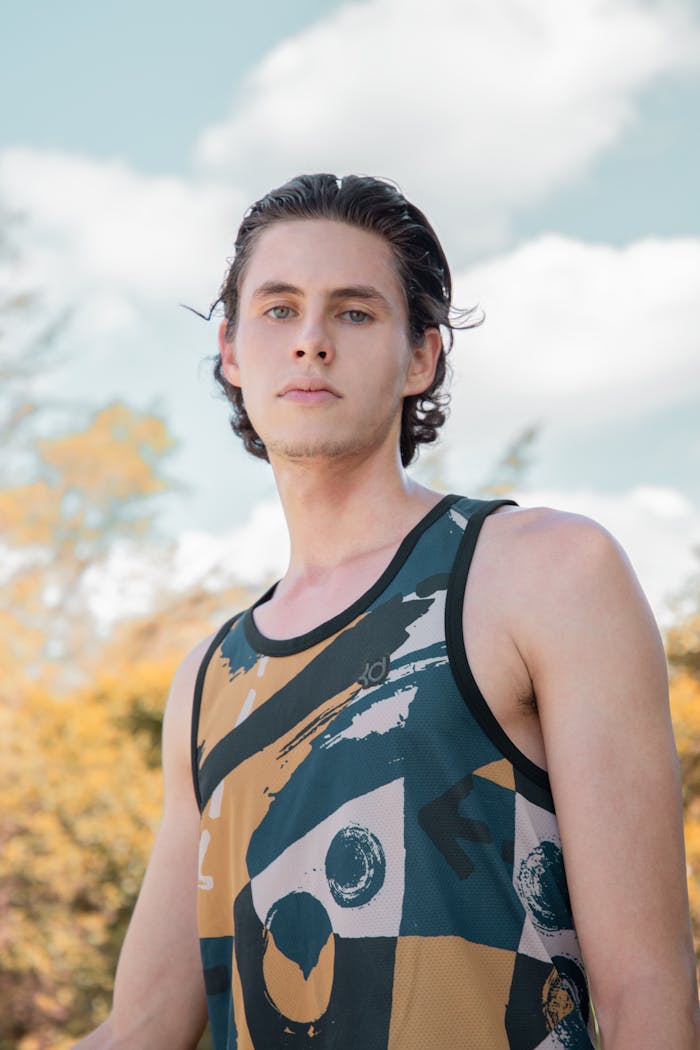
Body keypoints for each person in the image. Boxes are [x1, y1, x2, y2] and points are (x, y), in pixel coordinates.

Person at [74, 173, 698, 1049]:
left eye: (355, 312)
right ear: (230, 350)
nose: (312, 342)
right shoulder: (211, 679)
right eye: (279, 309)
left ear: (422, 358)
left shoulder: (547, 572)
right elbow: (143, 1026)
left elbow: (648, 991)